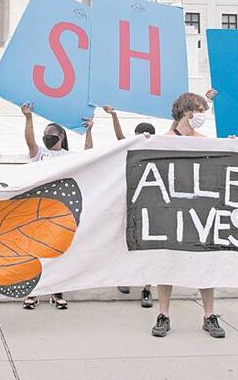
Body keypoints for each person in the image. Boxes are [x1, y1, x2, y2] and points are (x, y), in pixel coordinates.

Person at [150, 92, 226, 339]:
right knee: (165, 262)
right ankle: (163, 314)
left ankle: (209, 315)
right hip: (171, 212)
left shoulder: (206, 141)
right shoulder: (164, 141)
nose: (203, 115)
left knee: (205, 262)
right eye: (200, 110)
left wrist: (233, 147)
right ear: (187, 112)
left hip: (200, 212)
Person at [19, 102, 93, 310]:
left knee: (58, 252)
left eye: (51, 133)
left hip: (60, 211)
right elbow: (29, 140)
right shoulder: (39, 154)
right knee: (35, 252)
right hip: (36, 210)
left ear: (61, 136)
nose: (47, 136)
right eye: (45, 133)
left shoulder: (69, 157)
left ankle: (56, 291)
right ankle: (33, 292)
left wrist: (88, 131)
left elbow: (89, 153)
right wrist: (28, 117)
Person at [105, 105, 156, 309]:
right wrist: (115, 115)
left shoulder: (160, 151)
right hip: (131, 204)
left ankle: (147, 289)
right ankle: (125, 277)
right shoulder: (131, 150)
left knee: (149, 248)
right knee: (126, 242)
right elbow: (119, 138)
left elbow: (177, 131)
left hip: (152, 207)